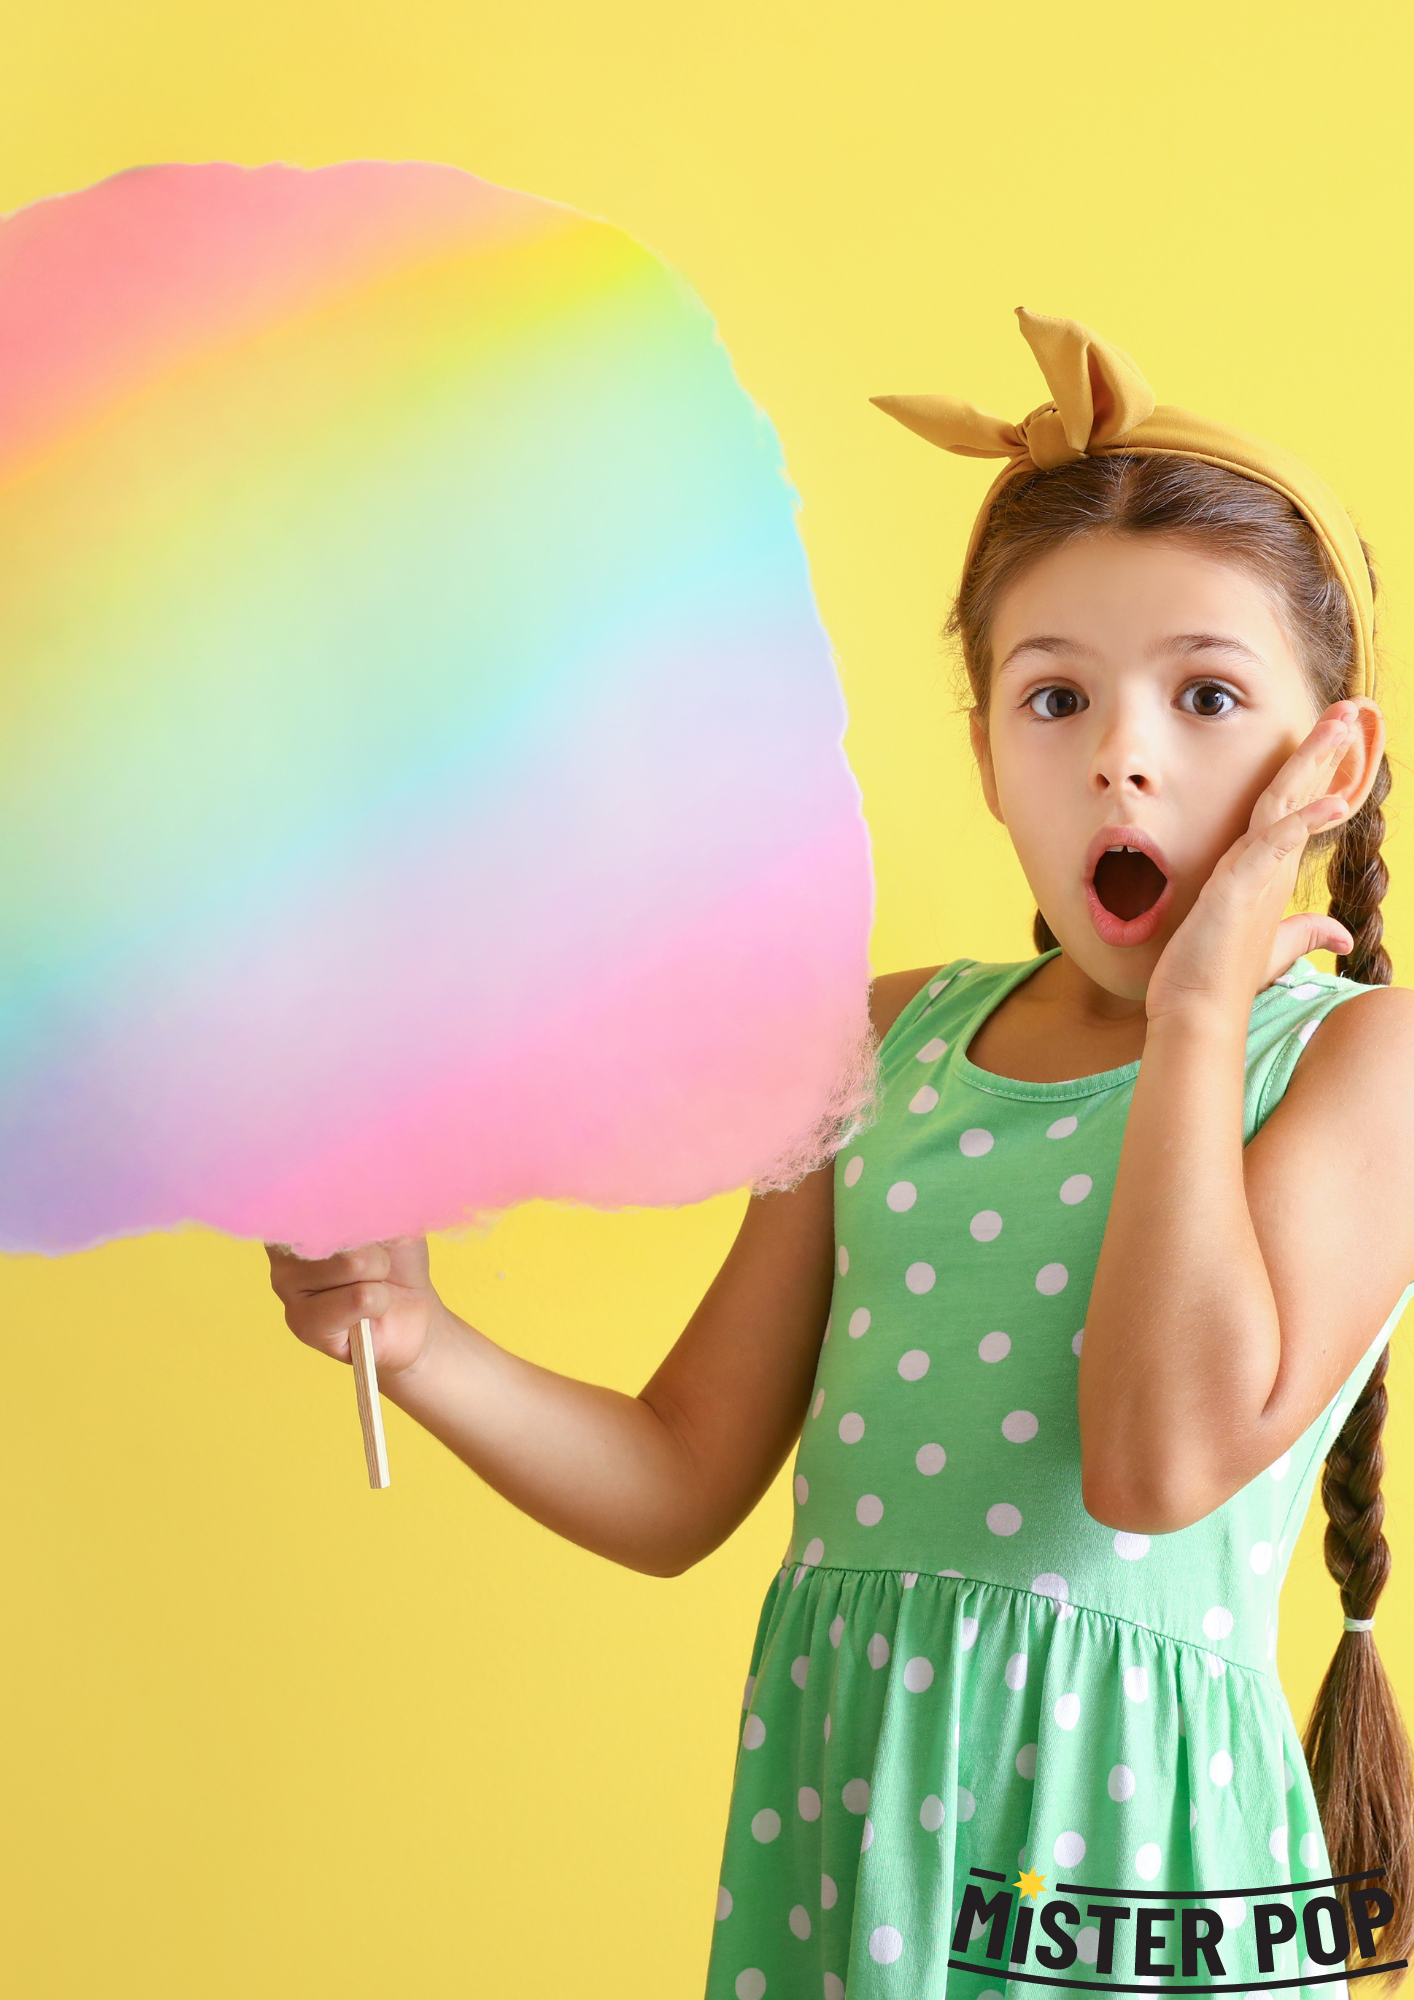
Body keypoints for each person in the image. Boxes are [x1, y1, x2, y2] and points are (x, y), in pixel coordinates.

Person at [267, 311, 1414, 2000]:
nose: (1121, 750)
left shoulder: (1354, 1063)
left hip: (1128, 1882)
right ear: (981, 755)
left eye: (1207, 693)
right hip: (851, 1848)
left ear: (1328, 763)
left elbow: (1151, 1469)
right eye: (1052, 697)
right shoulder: (885, 1044)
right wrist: (420, 1342)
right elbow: (677, 1479)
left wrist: (1193, 1009)